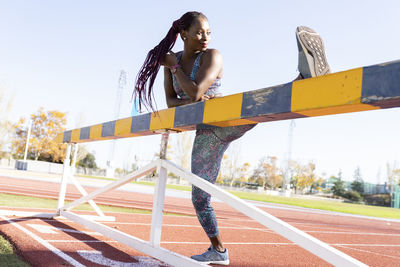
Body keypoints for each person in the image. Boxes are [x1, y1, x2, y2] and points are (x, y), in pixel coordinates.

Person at [134, 11, 330, 265]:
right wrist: (178, 76)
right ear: (184, 35)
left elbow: (193, 94)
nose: (205, 37)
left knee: (258, 105)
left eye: (208, 32)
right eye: (198, 32)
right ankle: (218, 250)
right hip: (206, 133)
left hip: (227, 117)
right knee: (199, 197)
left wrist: (175, 69)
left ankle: (305, 79)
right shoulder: (175, 61)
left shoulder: (212, 56)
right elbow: (171, 103)